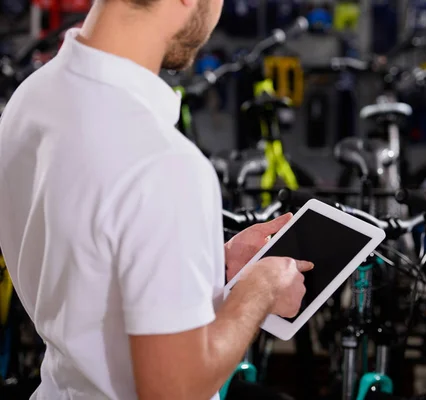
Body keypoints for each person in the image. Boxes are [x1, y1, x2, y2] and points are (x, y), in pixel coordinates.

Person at [0, 0, 313, 398]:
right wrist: (259, 290)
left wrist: (209, 264)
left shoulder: (31, 100)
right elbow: (175, 390)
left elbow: (86, 264)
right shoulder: (164, 163)